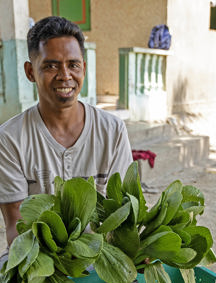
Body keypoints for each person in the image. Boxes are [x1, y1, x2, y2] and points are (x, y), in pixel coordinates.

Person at [0, 16, 133, 249]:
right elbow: (16, 225)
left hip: (101, 259)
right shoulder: (10, 139)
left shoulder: (112, 130)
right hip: (41, 261)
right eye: (51, 66)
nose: (65, 75)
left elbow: (121, 213)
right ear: (30, 72)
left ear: (84, 67)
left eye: (73, 64)